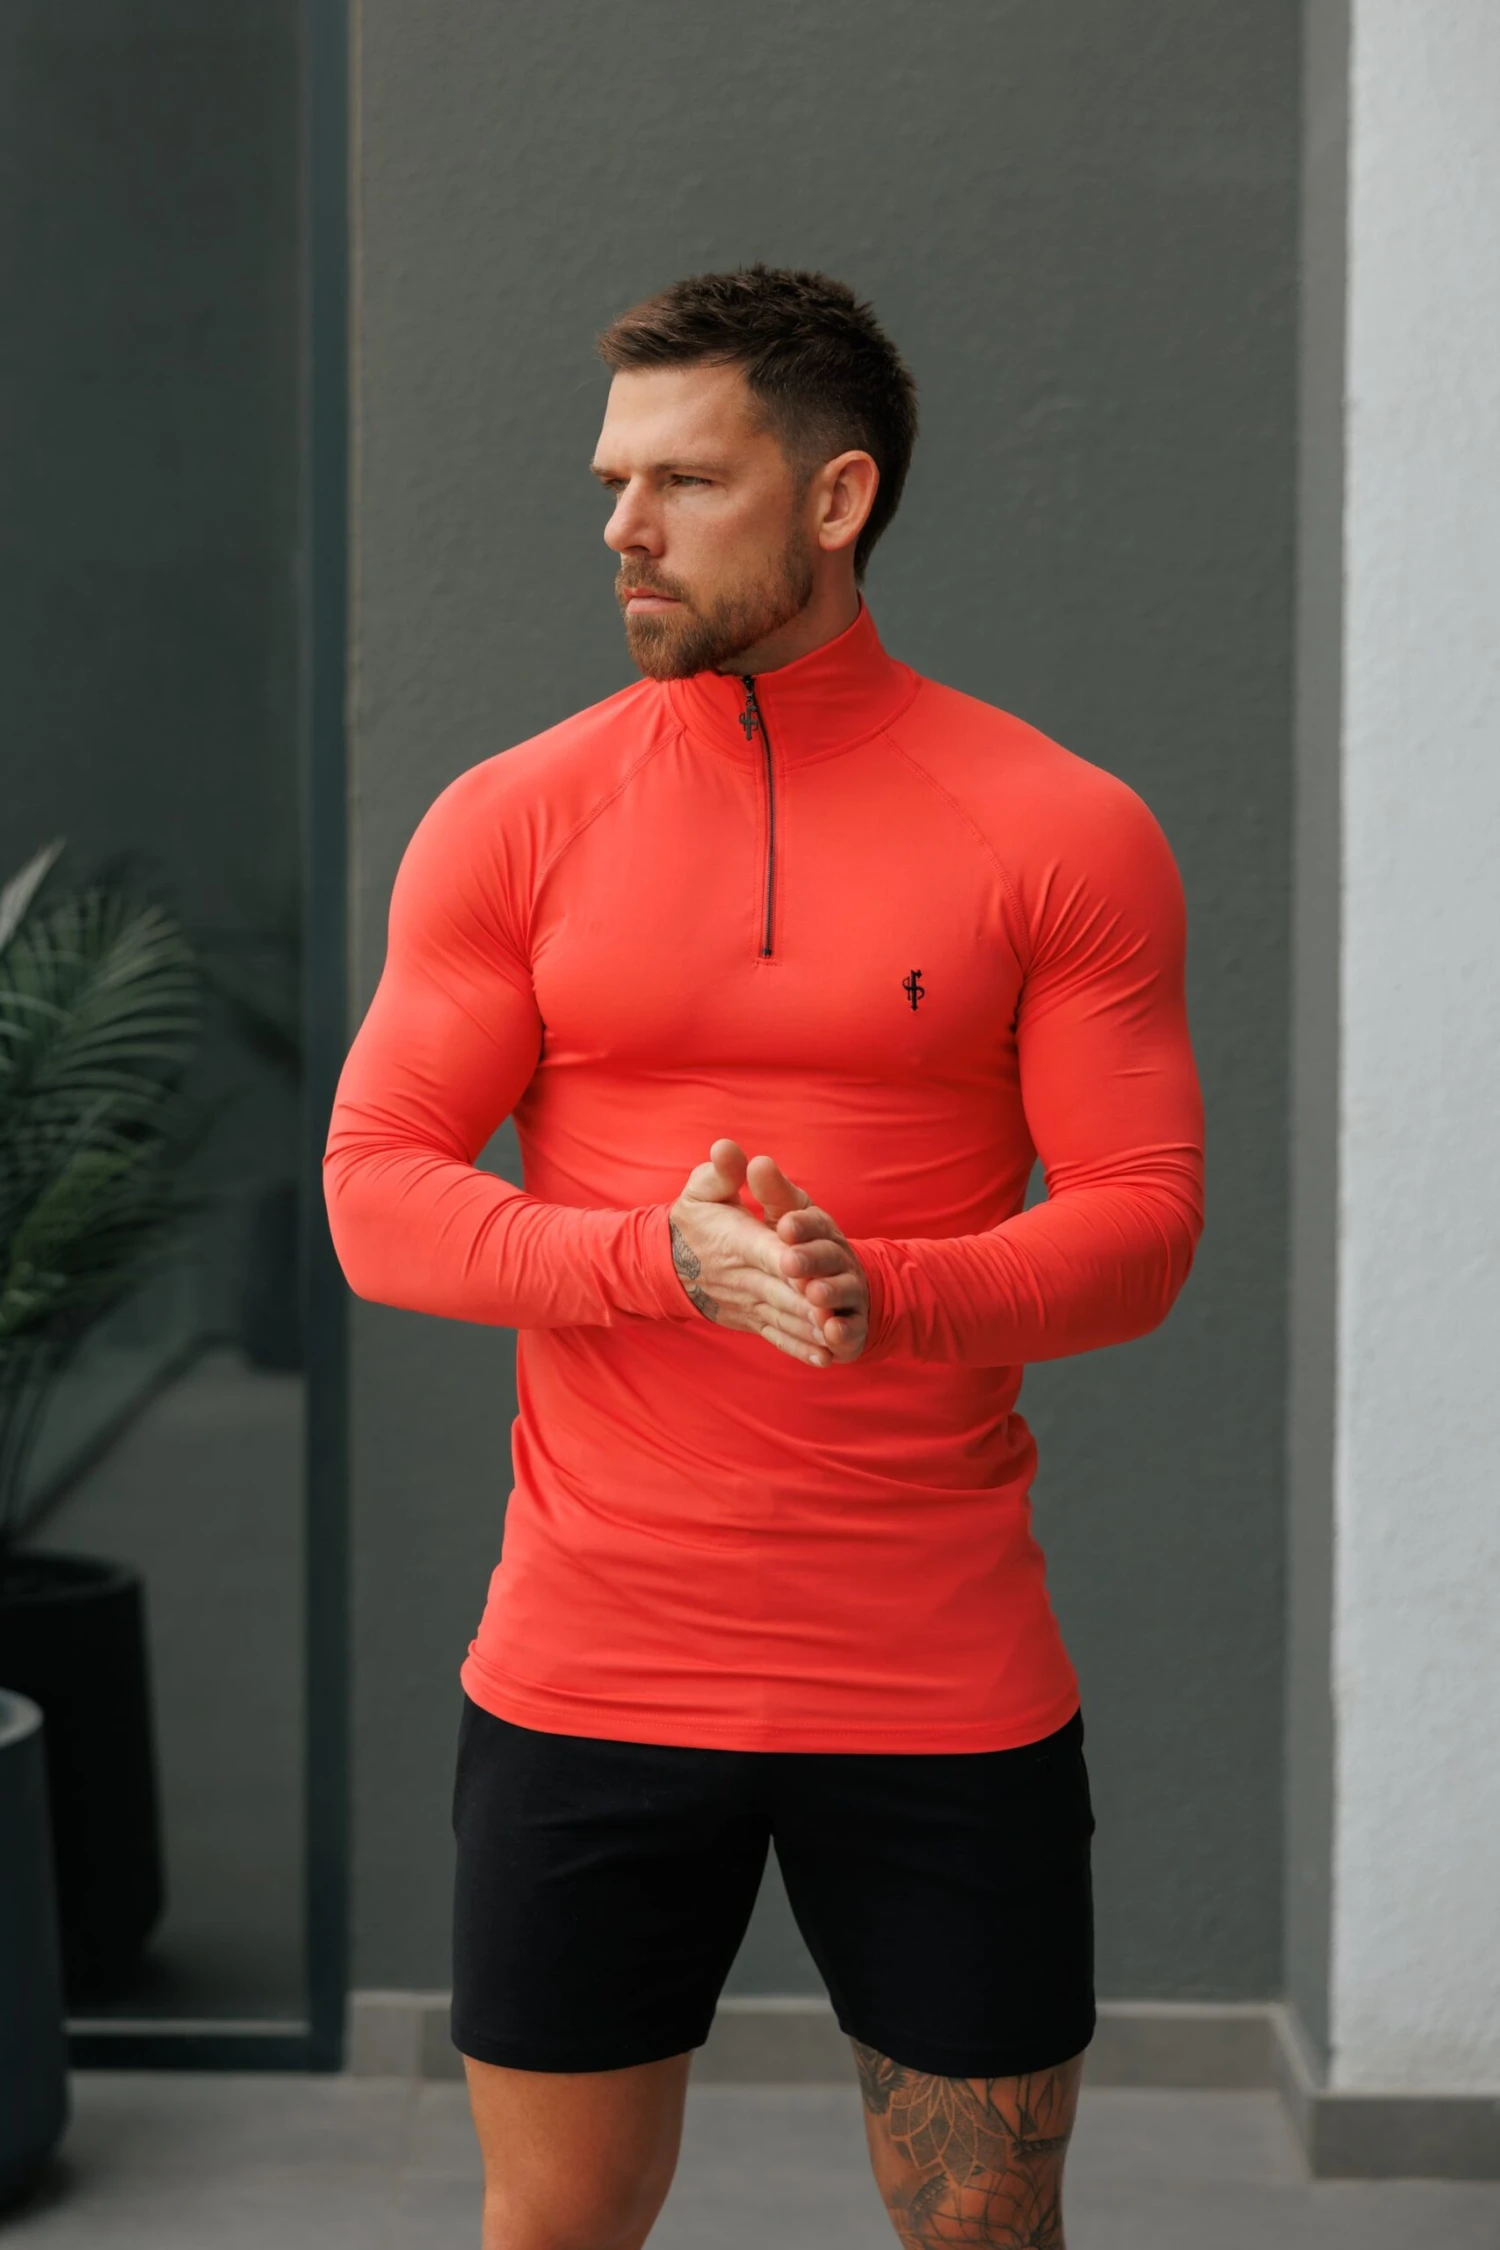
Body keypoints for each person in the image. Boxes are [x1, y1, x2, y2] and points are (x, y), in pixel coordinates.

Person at [323, 263, 1205, 2250]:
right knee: (556, 2230)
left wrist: (888, 1289)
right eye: (611, 482)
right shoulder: (512, 820)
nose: (622, 529)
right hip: (589, 1663)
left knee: (984, 2235)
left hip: (937, 1672)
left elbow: (1145, 1223)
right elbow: (374, 1191)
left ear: (837, 496)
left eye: (684, 481)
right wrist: (662, 1258)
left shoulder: (1060, 828)